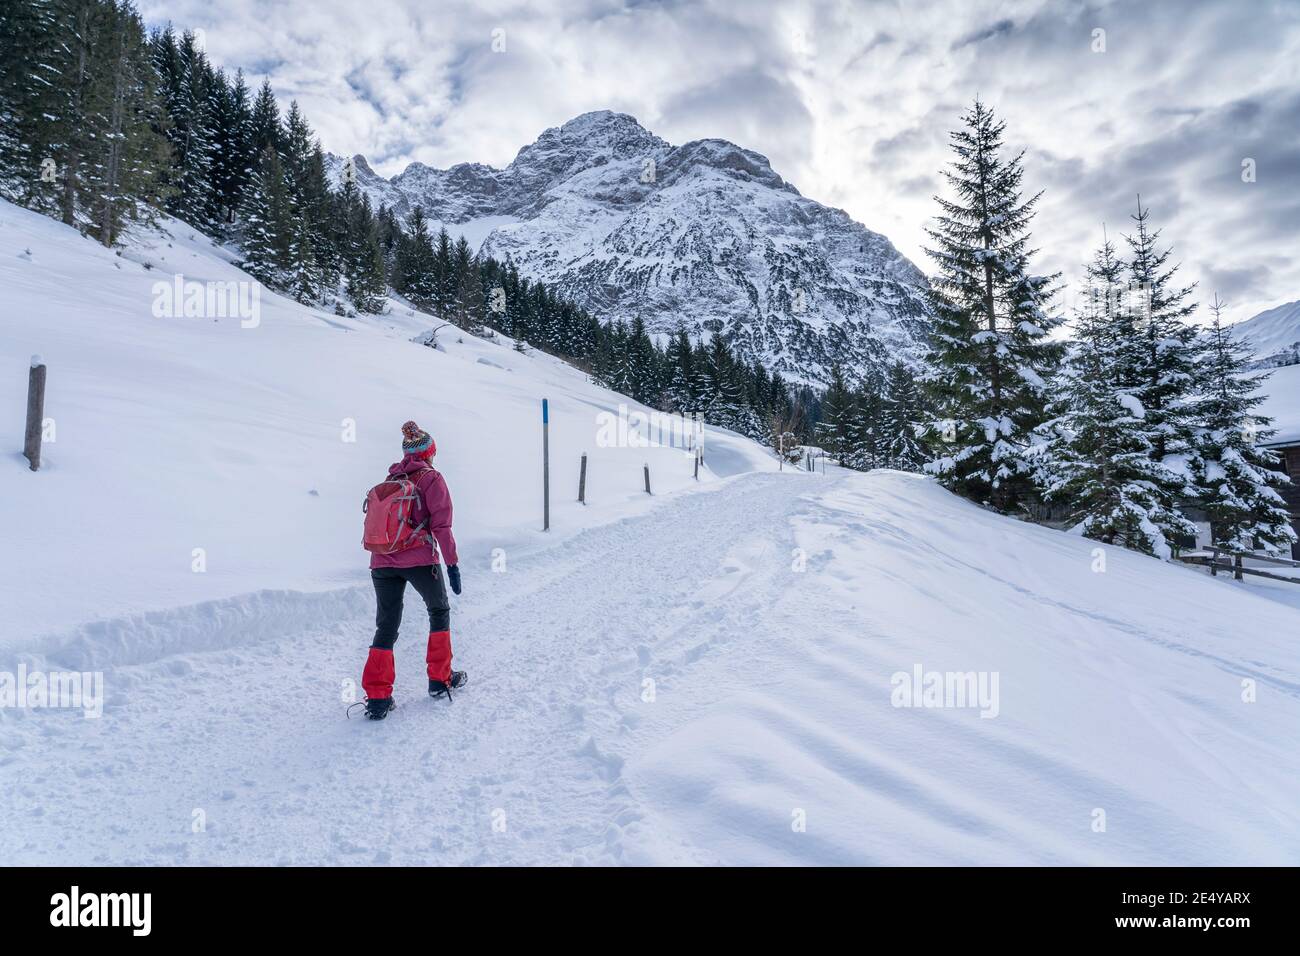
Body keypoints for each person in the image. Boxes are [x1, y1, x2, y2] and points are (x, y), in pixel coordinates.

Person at [360, 420, 465, 720]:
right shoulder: (432, 479)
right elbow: (442, 526)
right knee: (438, 611)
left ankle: (378, 697)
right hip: (419, 560)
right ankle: (439, 678)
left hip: (381, 561)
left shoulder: (390, 478)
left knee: (386, 625)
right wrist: (452, 563)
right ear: (430, 452)